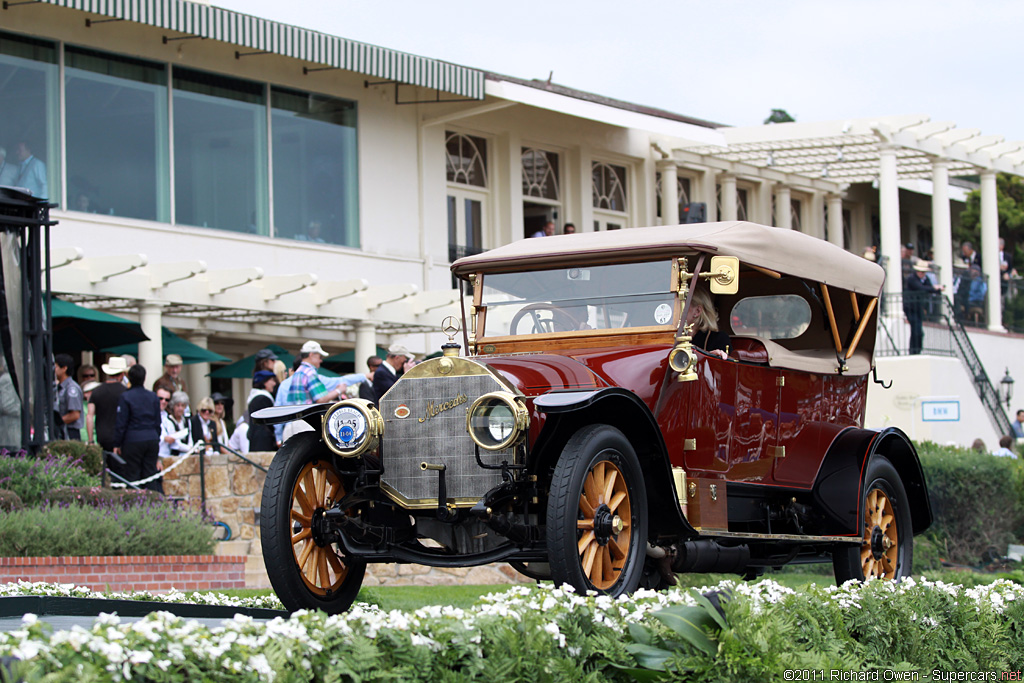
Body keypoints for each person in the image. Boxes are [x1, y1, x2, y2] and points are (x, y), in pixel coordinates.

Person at [112, 364, 162, 493]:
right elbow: (158, 422)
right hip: (151, 438)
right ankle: (153, 506)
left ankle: (135, 506)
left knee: (132, 476)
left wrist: (117, 443)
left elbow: (121, 423)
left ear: (129, 378)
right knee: (150, 476)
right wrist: (156, 438)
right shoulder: (153, 397)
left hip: (133, 439)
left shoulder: (126, 397)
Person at [283, 341, 346, 441]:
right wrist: (339, 390)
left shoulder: (298, 371)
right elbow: (320, 399)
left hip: (292, 423)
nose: (321, 361)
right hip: (307, 423)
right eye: (320, 357)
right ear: (311, 355)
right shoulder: (309, 372)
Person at [87, 355, 128, 451]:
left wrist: (90, 441)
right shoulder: (126, 392)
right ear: (122, 374)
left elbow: (89, 416)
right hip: (121, 437)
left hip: (102, 436)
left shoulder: (96, 391)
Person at [903, 260, 941, 355]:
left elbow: (928, 288)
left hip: (918, 308)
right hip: (910, 308)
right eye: (920, 271)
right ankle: (913, 351)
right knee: (916, 330)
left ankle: (917, 351)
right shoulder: (911, 279)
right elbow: (922, 288)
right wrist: (934, 289)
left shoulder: (925, 279)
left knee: (918, 332)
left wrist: (937, 290)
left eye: (923, 272)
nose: (922, 273)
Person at [685, 287, 729, 359]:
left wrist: (712, 359)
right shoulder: (669, 337)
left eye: (680, 305)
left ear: (697, 311)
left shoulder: (718, 339)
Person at [54, 353, 84, 441]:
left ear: (64, 368)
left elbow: (74, 415)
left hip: (70, 432)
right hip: (63, 430)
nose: (53, 370)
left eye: (55, 367)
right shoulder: (60, 387)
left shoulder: (71, 388)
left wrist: (56, 424)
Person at [247, 370, 278, 452]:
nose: (274, 383)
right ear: (265, 382)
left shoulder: (255, 398)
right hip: (264, 443)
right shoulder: (263, 399)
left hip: (256, 441)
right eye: (272, 380)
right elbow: (270, 422)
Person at [160, 391, 193, 457]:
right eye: (178, 405)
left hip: (187, 454)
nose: (180, 408)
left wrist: (191, 448)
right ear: (173, 406)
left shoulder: (187, 421)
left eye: (182, 405)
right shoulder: (169, 420)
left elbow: (190, 438)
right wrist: (191, 449)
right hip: (174, 455)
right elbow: (175, 444)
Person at [0, 356, 21, 450]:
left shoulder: (7, 379)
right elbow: (6, 405)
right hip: (9, 422)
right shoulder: (7, 379)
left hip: (11, 422)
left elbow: (6, 405)